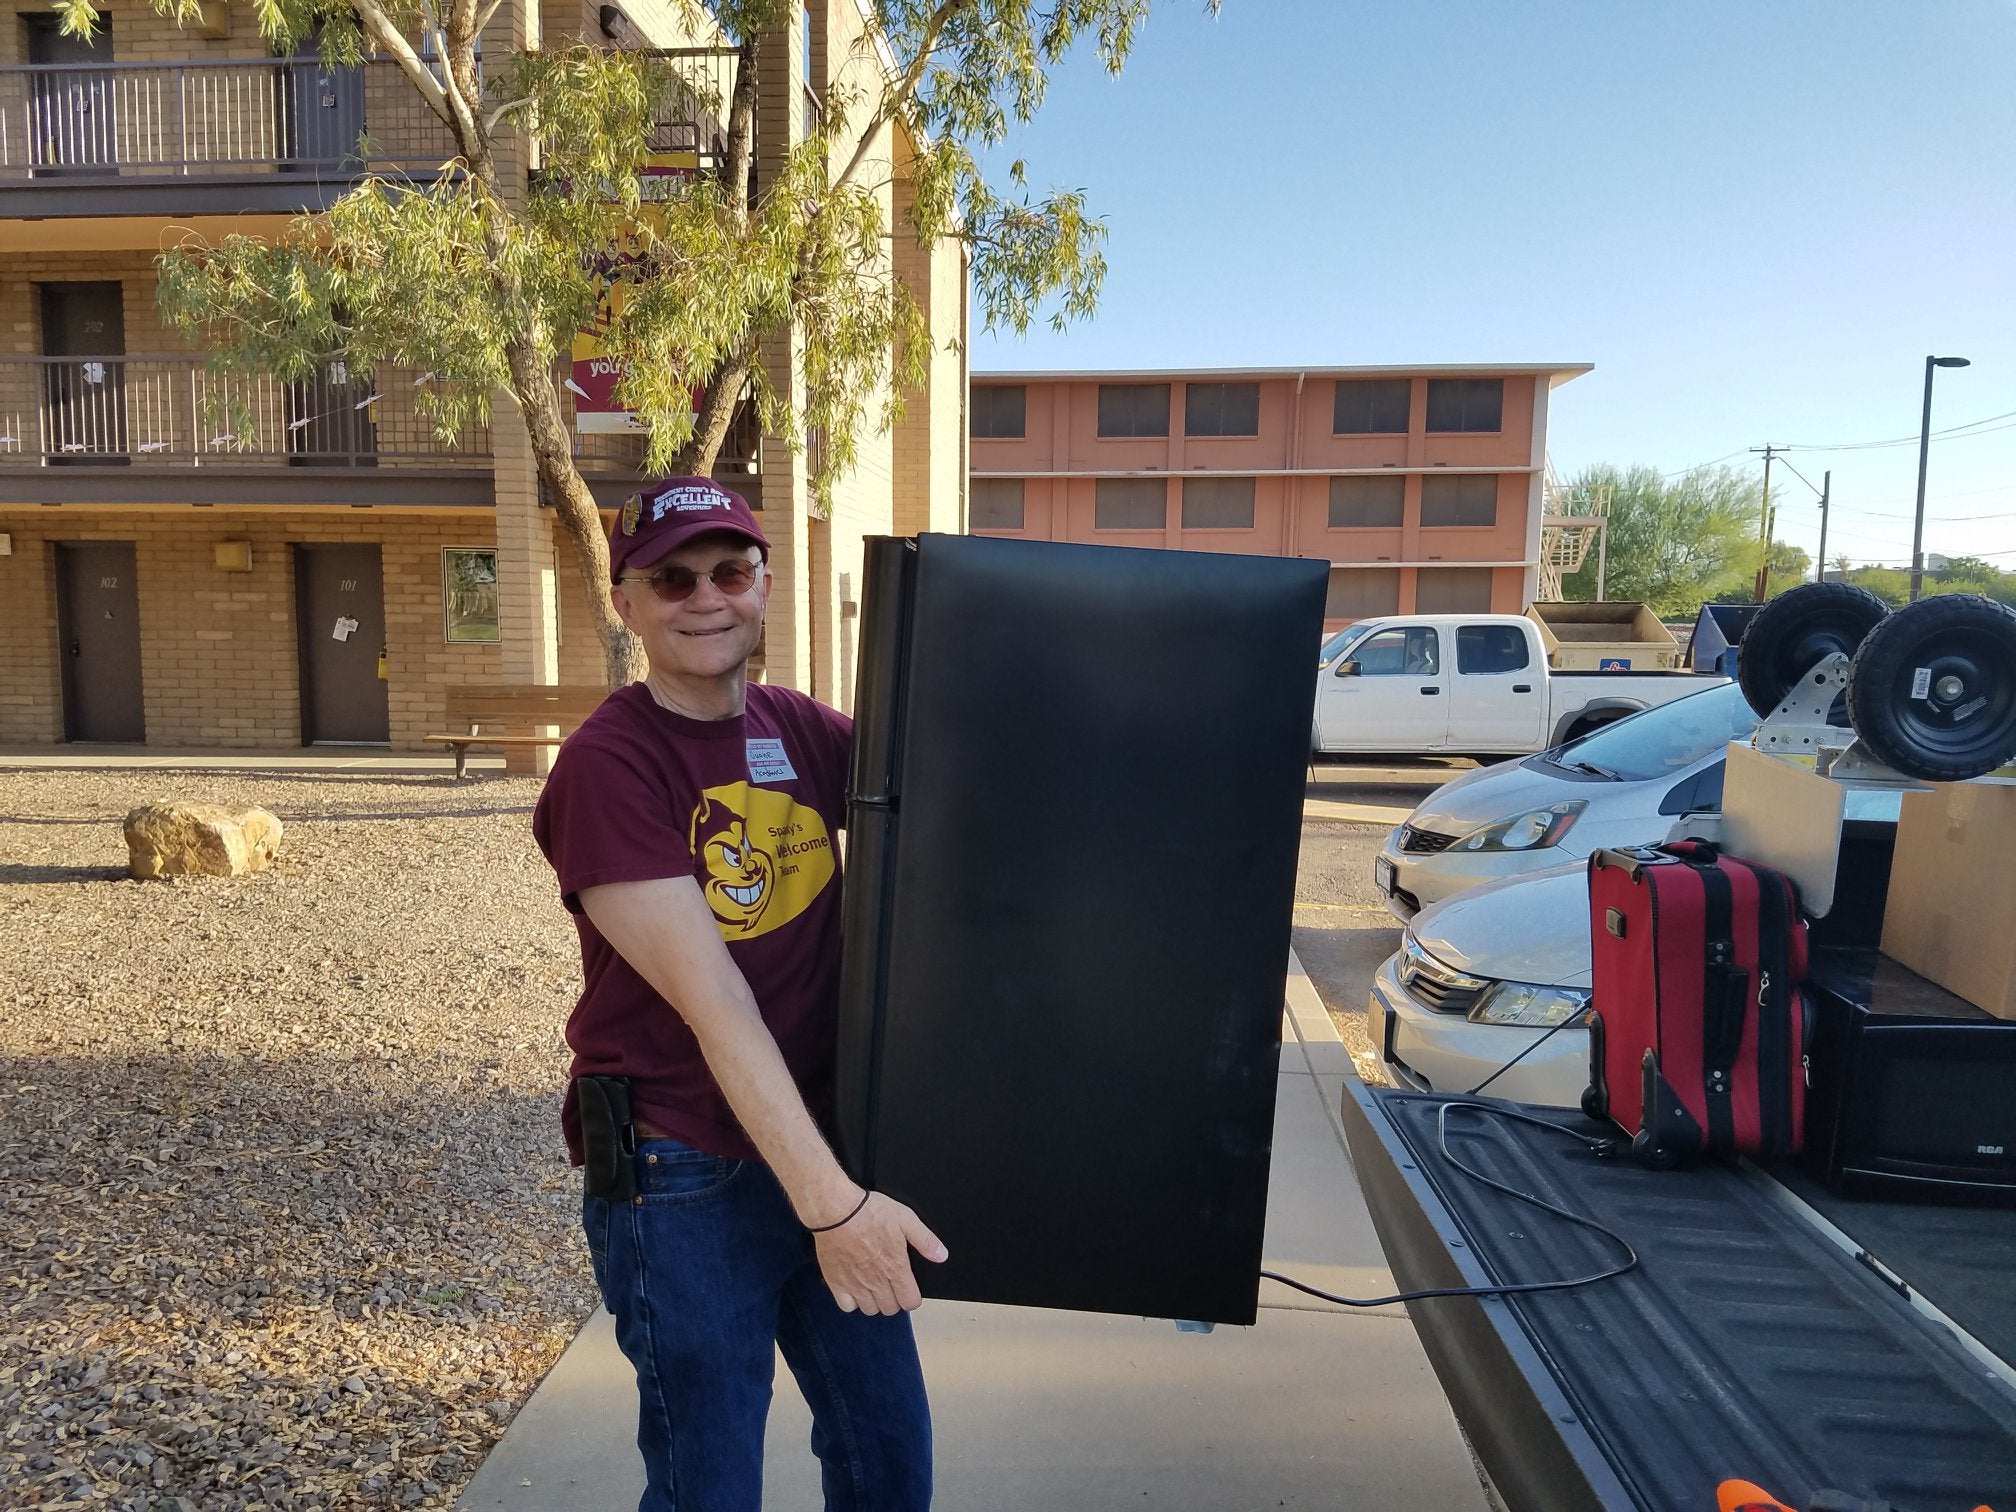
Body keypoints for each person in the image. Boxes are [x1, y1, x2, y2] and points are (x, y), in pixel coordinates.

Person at [531, 476, 945, 1512]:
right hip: (684, 1175)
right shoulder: (607, 766)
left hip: (817, 1147)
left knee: (887, 1460)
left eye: (729, 570)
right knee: (708, 1485)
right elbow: (715, 1002)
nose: (705, 597)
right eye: (671, 578)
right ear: (626, 602)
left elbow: (951, 789)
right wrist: (835, 1205)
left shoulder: (795, 728)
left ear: (763, 584)